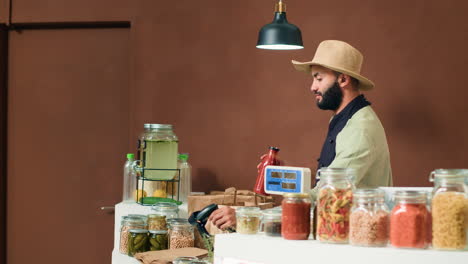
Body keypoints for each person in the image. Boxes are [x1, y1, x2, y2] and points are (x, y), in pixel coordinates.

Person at [209, 40, 393, 230]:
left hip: (355, 241)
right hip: (338, 231)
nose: (312, 87)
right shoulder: (344, 120)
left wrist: (246, 217)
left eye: (319, 78)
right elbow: (326, 182)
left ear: (343, 80)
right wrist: (285, 177)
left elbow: (328, 196)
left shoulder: (359, 129)